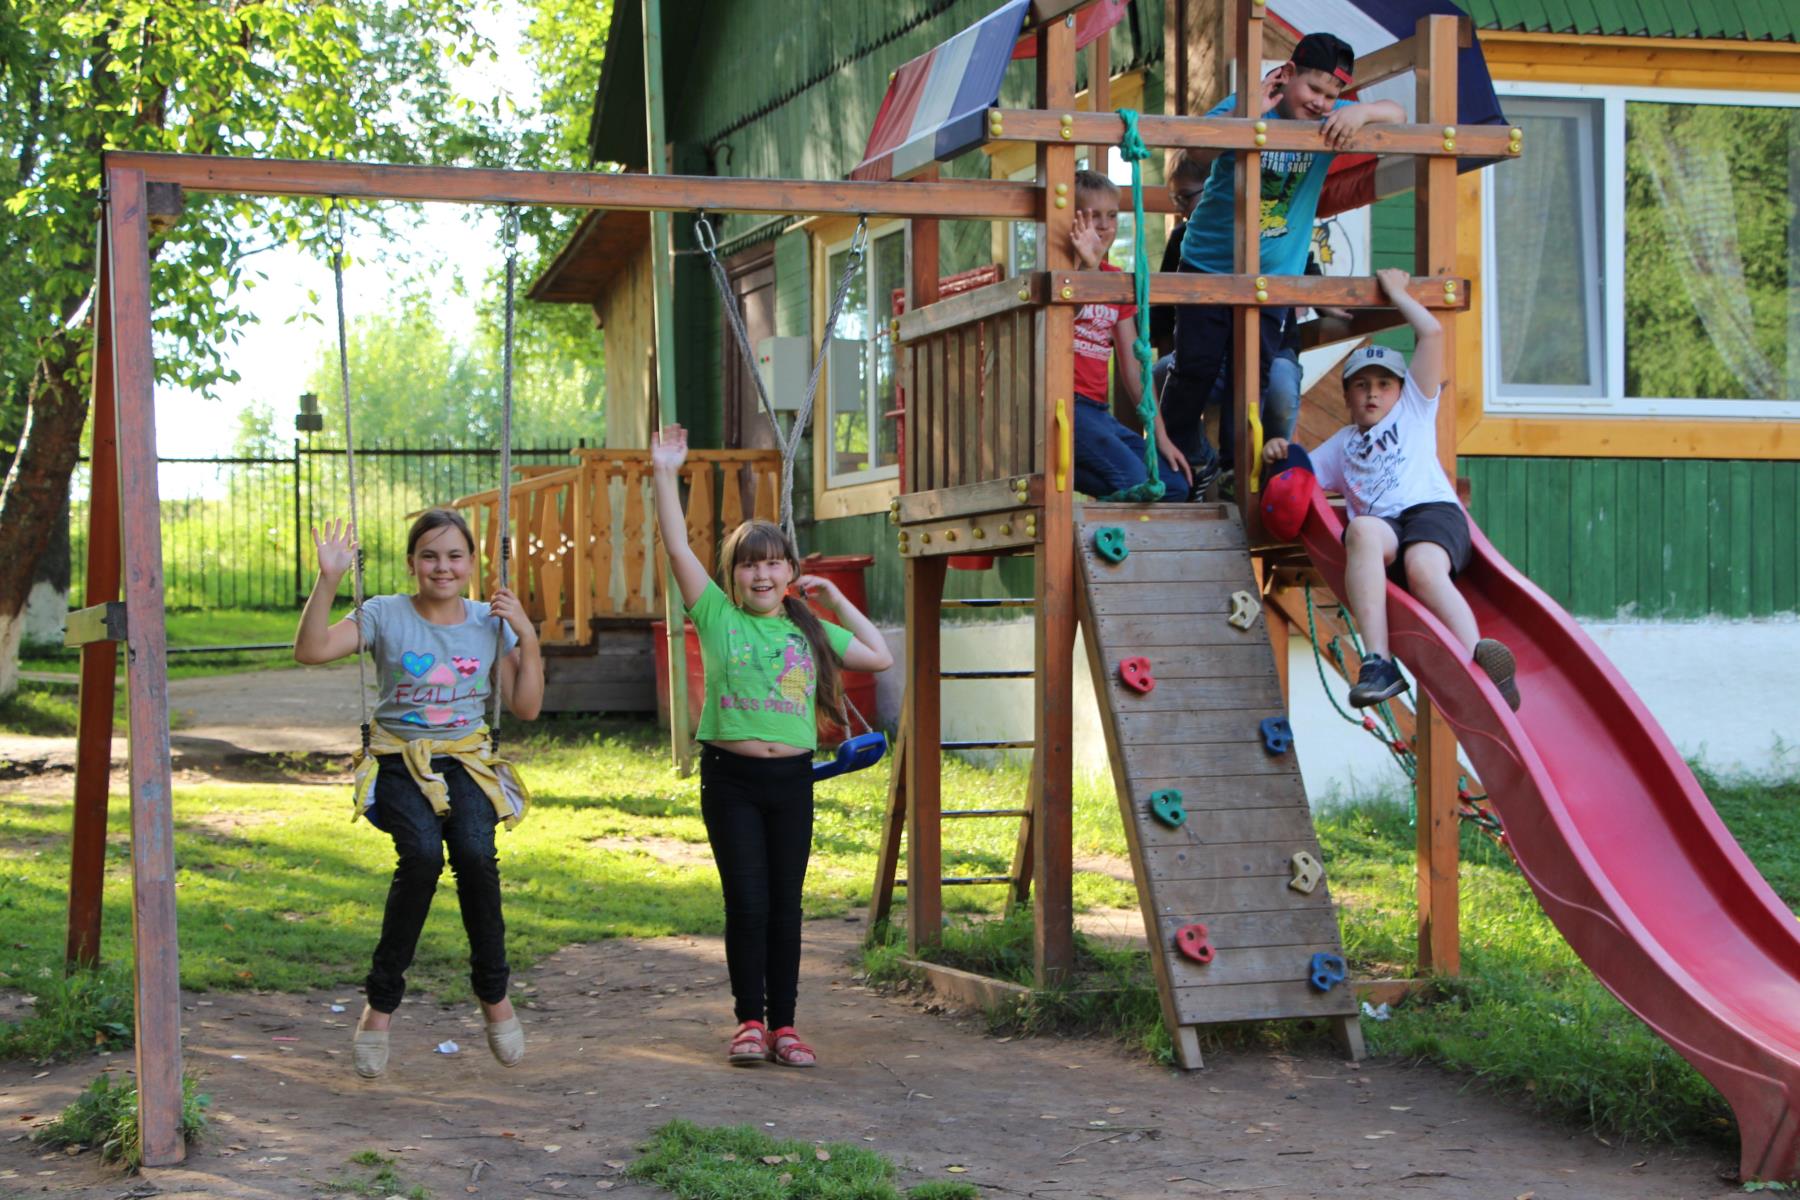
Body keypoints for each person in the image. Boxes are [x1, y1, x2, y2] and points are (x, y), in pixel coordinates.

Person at [651, 422, 894, 1068]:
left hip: (792, 783)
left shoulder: (808, 629)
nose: (761, 573)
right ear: (733, 576)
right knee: (748, 901)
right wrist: (663, 472)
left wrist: (838, 598)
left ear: (790, 571)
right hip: (730, 780)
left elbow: (880, 655)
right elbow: (676, 546)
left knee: (786, 905)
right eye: (749, 564)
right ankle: (749, 1022)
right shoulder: (717, 617)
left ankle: (786, 1025)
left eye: (772, 562)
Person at [293, 508, 545, 1078]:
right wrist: (329, 578)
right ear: (412, 563)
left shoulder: (490, 620)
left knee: (478, 856)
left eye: (455, 555)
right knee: (423, 856)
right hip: (398, 762)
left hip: (466, 763)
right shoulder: (385, 613)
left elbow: (526, 706)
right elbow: (310, 651)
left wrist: (525, 633)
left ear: (472, 563)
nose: (442, 566)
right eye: (430, 555)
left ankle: (495, 996)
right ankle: (380, 1007)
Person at [1261, 268, 1521, 711]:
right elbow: (1302, 473)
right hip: (1388, 531)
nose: (1373, 394)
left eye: (1384, 385)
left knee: (1422, 567)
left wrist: (1398, 293)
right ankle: (1378, 663)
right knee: (1360, 528)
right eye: (1361, 386)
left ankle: (1482, 665)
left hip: (1432, 513)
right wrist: (1277, 449)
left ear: (1402, 391)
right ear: (1346, 397)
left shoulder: (1414, 410)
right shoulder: (1341, 445)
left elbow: (1433, 333)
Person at [1164, 31, 1404, 475]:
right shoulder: (1249, 101)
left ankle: (1237, 469)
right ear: (1287, 73)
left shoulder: (1332, 119)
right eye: (1314, 89)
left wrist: (1364, 112)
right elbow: (1196, 147)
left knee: (1251, 374)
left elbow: (1398, 113)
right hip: (1208, 263)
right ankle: (1177, 459)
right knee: (1194, 366)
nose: (1320, 103)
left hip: (1274, 276)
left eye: (1332, 96)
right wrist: (1245, 116)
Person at [1067, 170, 1193, 501]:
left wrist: (1159, 435)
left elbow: (1134, 367)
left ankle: (1079, 480)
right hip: (1064, 409)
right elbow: (1069, 311)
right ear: (1074, 220)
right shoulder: (1063, 275)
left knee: (1174, 486)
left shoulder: (1115, 281)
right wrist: (1089, 266)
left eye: (1112, 216)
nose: (1106, 226)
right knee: (1136, 482)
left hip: (1096, 411)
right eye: (1094, 216)